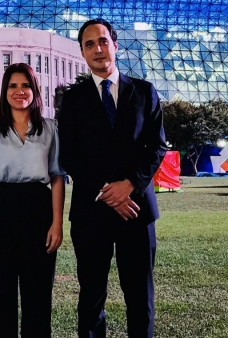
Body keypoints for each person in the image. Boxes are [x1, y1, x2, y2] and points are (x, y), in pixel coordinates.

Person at [58, 18, 167, 338]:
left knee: (140, 297)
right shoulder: (73, 99)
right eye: (89, 44)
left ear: (115, 46)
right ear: (82, 52)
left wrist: (129, 186)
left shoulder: (144, 92)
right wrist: (109, 193)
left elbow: (156, 146)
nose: (97, 49)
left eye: (103, 41)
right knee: (91, 296)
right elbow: (70, 157)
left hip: (137, 210)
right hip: (91, 212)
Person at [0, 62, 66, 338]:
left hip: (38, 208)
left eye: (25, 85)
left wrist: (57, 223)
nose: (19, 91)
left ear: (35, 90)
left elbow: (58, 176)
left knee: (38, 294)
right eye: (13, 86)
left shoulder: (50, 128)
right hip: (0, 207)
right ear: (4, 90)